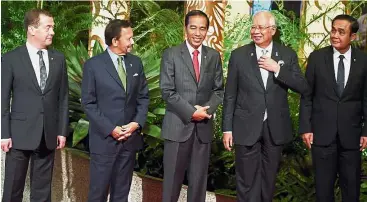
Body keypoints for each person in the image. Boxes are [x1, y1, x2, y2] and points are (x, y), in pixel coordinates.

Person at [222, 11, 308, 202]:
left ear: (273, 30)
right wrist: (227, 128)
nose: (255, 31)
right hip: (245, 125)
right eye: (253, 27)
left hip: (275, 126)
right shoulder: (239, 55)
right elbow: (230, 95)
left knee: (269, 179)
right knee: (246, 180)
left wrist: (278, 69)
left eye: (260, 27)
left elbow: (303, 86)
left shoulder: (287, 54)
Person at [1, 9, 69, 202]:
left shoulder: (59, 59)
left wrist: (62, 131)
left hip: (47, 135)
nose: (52, 32)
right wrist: (4, 134)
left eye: (53, 27)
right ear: (32, 29)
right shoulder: (11, 59)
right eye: (48, 27)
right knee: (13, 189)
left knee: (42, 192)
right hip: (18, 135)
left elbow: (63, 97)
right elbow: (3, 99)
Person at [299, 14, 367, 202]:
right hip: (322, 135)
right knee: (323, 191)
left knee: (351, 190)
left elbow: (366, 99)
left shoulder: (363, 61)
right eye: (333, 30)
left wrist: (366, 131)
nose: (335, 35)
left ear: (352, 37)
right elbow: (307, 95)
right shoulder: (317, 58)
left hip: (351, 137)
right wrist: (306, 127)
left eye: (341, 32)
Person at [81, 19, 149, 202]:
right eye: (129, 38)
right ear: (115, 41)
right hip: (104, 141)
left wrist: (136, 123)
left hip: (129, 141)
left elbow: (143, 97)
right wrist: (111, 129)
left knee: (121, 194)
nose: (132, 42)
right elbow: (88, 103)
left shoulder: (136, 63)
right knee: (98, 193)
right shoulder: (93, 65)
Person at [160, 10, 224, 202]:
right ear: (186, 28)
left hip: (202, 130)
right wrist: (191, 112)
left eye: (202, 28)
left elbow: (219, 90)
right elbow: (167, 91)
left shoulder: (213, 56)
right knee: (171, 184)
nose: (198, 33)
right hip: (177, 126)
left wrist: (206, 111)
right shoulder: (171, 54)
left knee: (198, 185)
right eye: (193, 27)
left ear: (207, 31)